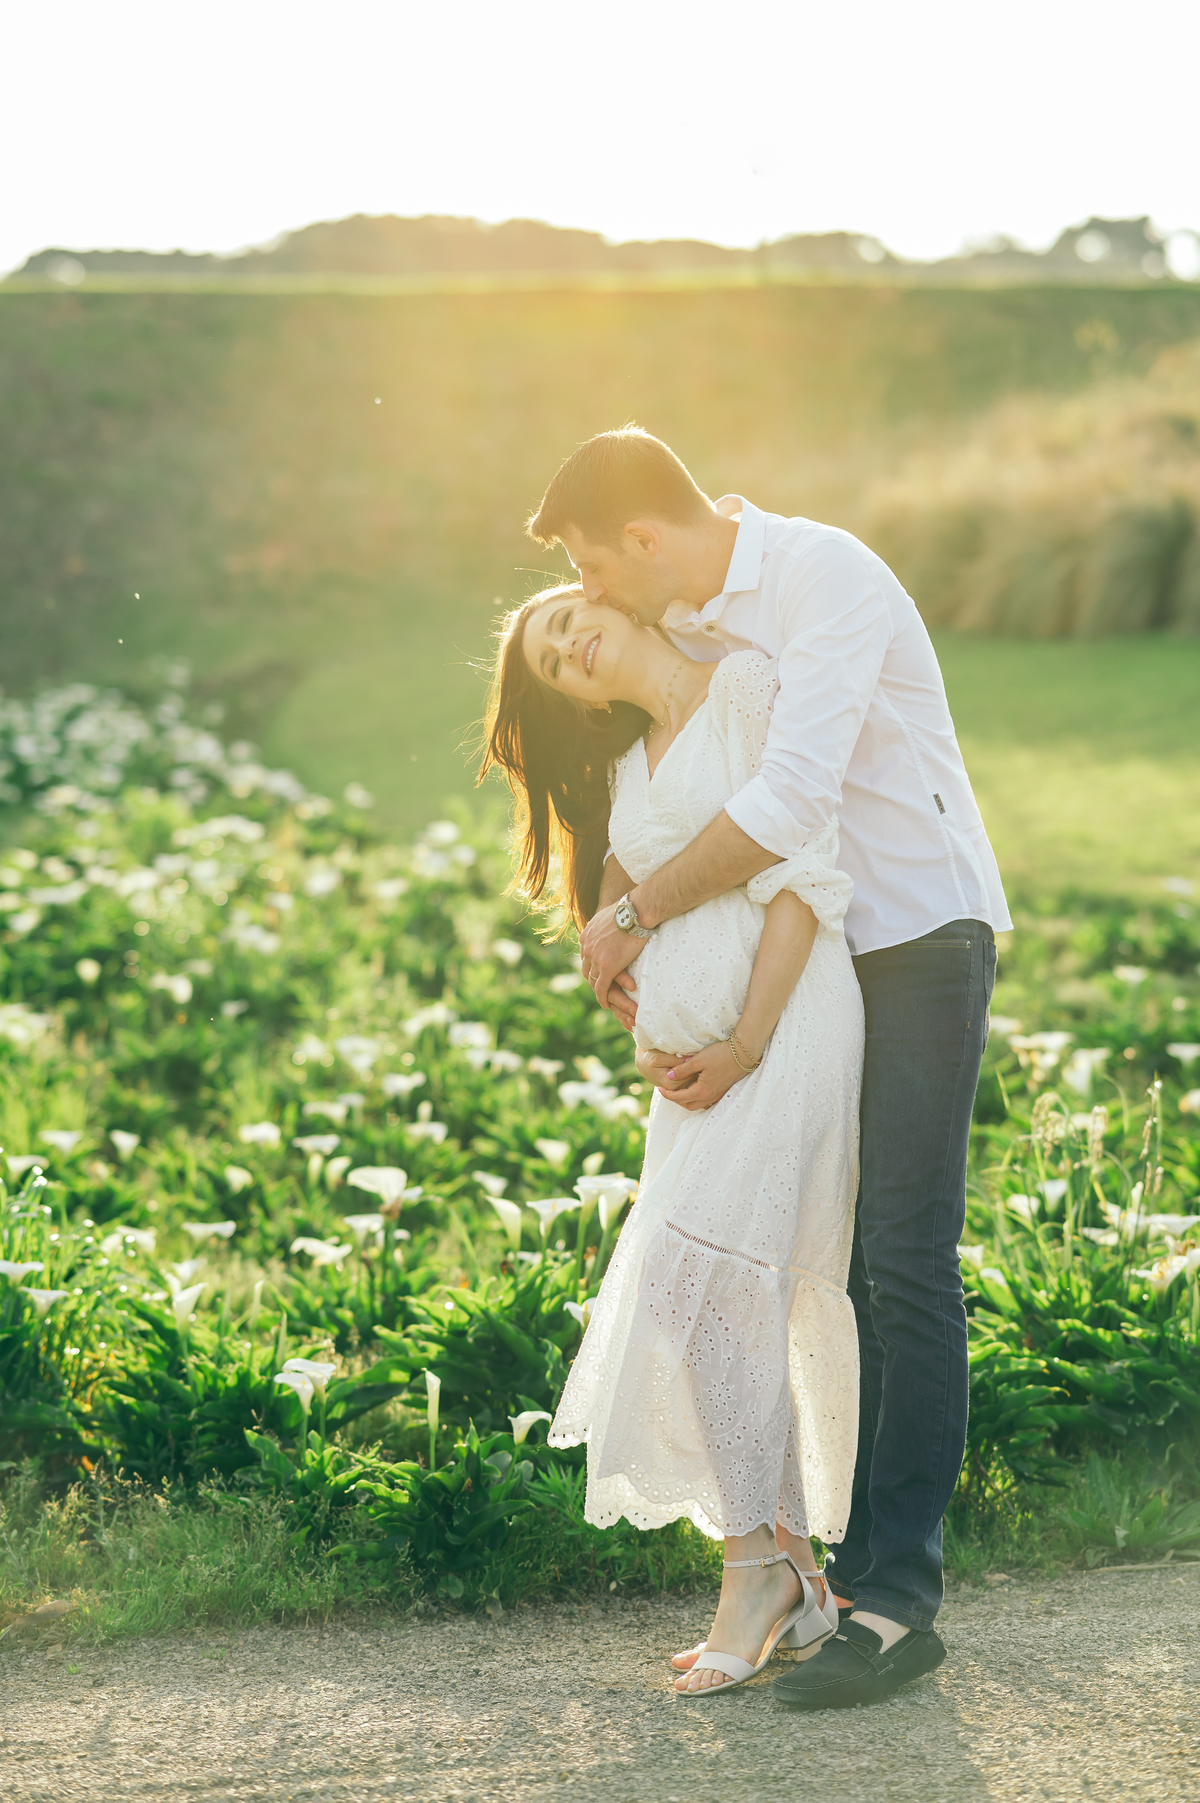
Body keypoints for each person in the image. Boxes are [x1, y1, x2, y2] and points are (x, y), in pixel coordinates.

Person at [524, 427, 1010, 1711]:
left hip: (918, 931)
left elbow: (790, 805)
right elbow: (674, 768)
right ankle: (806, 1570)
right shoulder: (696, 607)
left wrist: (636, 917)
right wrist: (621, 910)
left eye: (591, 567)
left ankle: (894, 1601)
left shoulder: (823, 578)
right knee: (829, 1267)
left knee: (903, 1258)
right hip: (822, 972)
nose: (589, 594)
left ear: (640, 538)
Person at [480, 584, 865, 1693]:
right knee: (707, 1290)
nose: (571, 647)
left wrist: (742, 1039)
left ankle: (754, 1574)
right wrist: (622, 971)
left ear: (610, 603)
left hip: (786, 1026)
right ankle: (797, 1573)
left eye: (566, 621)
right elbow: (635, 886)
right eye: (554, 661)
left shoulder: (742, 691)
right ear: (574, 695)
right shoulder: (628, 766)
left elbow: (802, 881)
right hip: (699, 1071)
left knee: (704, 1279)